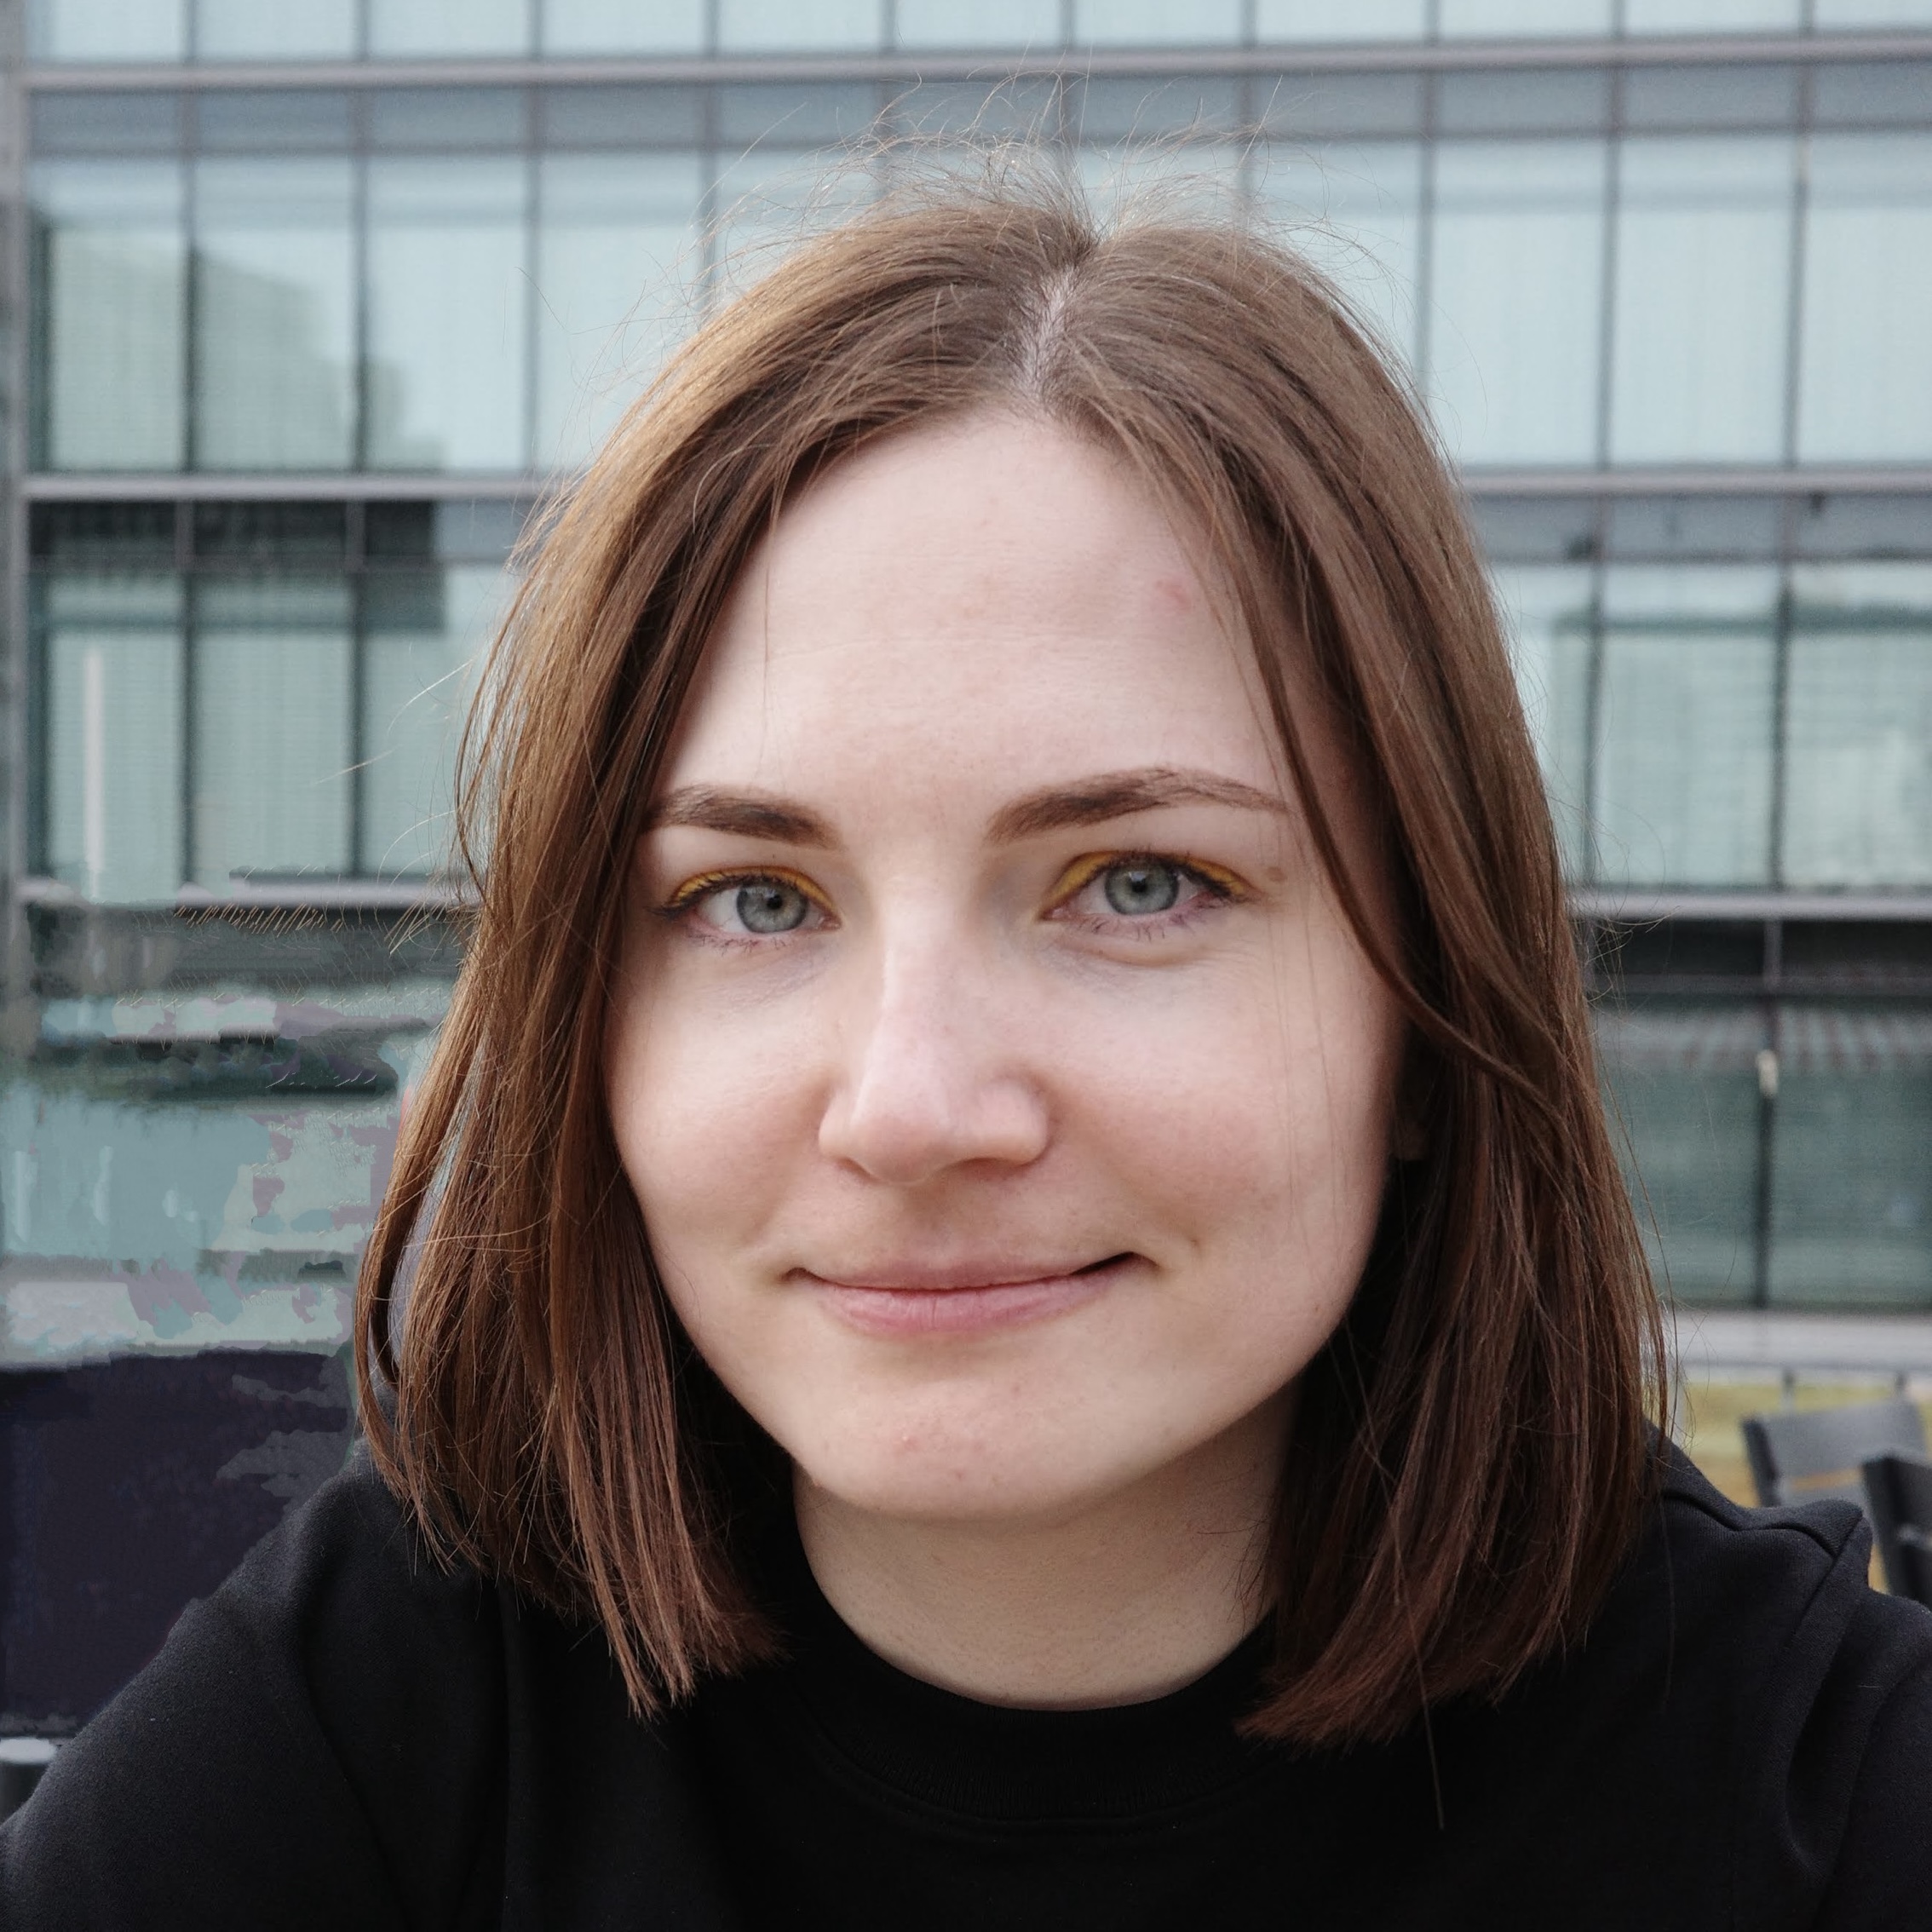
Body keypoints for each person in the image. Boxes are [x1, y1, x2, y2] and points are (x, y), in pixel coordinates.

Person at [5, 177, 1929, 1931]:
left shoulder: (1822, 1802)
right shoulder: (389, 1713)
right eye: (755, 899)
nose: (911, 1106)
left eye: (1141, 884)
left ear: (1429, 1013)